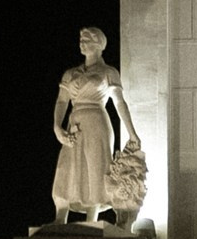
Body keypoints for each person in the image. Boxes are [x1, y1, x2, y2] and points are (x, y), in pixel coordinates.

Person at [50, 26, 139, 224]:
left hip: (97, 121)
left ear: (99, 44)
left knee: (96, 166)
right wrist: (58, 128)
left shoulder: (108, 72)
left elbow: (119, 103)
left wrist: (132, 133)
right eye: (81, 39)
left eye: (87, 39)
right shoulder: (71, 73)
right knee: (66, 166)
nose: (82, 42)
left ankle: (93, 216)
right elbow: (62, 101)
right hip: (75, 122)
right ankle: (60, 215)